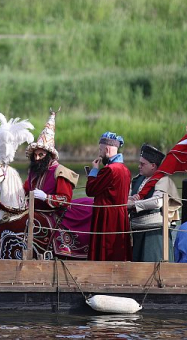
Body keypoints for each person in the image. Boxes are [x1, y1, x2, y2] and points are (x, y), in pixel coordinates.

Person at [23, 109, 92, 258]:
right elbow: (24, 190)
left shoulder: (60, 172)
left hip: (58, 214)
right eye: (35, 155)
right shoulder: (33, 172)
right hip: (36, 214)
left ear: (48, 155)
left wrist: (45, 197)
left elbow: (65, 199)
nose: (37, 158)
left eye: (41, 154)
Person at [127, 144, 181, 262]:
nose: (139, 166)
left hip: (154, 233)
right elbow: (128, 196)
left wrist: (134, 204)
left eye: (142, 164)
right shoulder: (138, 179)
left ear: (153, 166)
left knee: (153, 265)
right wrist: (130, 199)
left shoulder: (164, 180)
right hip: (137, 230)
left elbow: (157, 202)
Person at [86, 132, 132, 261]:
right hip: (120, 215)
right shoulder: (126, 170)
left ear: (107, 149)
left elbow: (90, 190)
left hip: (107, 216)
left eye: (100, 150)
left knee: (104, 250)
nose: (99, 154)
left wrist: (94, 170)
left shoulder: (110, 170)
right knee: (117, 250)